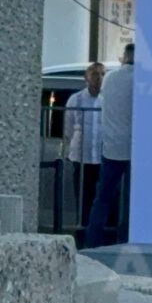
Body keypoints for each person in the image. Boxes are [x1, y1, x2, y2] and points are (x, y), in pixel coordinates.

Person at [87, 44, 133, 248]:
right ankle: (126, 239)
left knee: (102, 198)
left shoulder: (111, 78)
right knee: (132, 199)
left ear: (125, 57)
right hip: (135, 148)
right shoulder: (143, 80)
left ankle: (92, 242)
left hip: (111, 146)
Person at [66, 62, 106, 233]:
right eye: (95, 74)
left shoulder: (106, 100)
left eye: (102, 74)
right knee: (83, 196)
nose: (99, 78)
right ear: (86, 78)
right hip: (81, 158)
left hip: (101, 157)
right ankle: (82, 230)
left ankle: (99, 231)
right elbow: (68, 128)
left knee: (102, 197)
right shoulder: (76, 99)